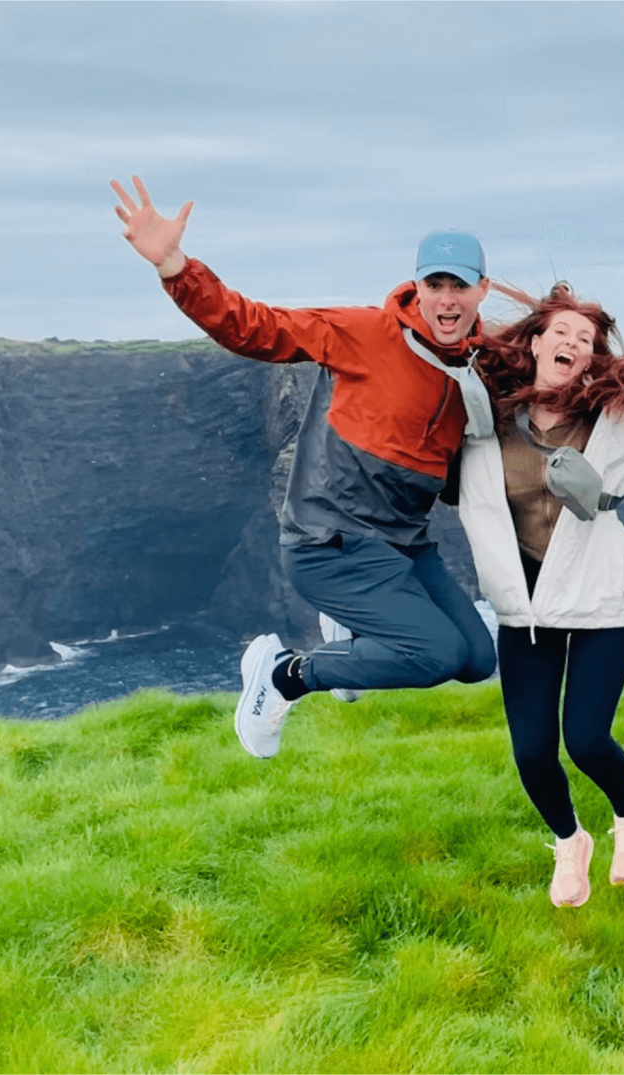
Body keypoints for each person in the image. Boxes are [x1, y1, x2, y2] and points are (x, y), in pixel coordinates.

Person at [109, 176, 498, 759]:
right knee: (435, 653)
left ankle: (358, 636)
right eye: (435, 284)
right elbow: (257, 327)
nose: (446, 300)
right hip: (331, 543)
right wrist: (175, 266)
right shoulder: (366, 333)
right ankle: (283, 674)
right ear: (417, 285)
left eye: (459, 286)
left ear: (481, 290)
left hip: (404, 546)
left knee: (476, 660)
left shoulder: (477, 365)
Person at [456, 282, 624, 908]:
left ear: (593, 359)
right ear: (533, 342)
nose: (571, 343)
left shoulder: (615, 422)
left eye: (584, 340)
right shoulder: (486, 419)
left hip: (600, 604)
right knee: (533, 752)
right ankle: (569, 840)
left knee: (585, 739)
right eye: (559, 332)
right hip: (524, 606)